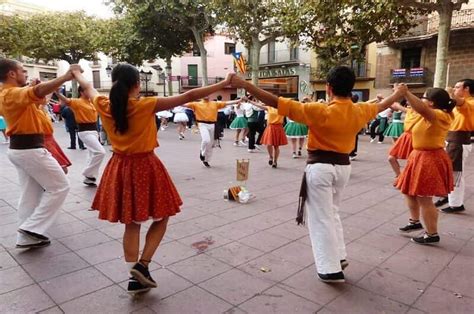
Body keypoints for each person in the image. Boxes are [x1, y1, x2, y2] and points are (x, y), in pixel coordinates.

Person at [230, 66, 404, 283]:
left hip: (321, 168)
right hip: (343, 168)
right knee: (332, 212)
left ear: (329, 88)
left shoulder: (319, 110)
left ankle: (330, 269)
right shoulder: (360, 110)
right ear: (351, 88)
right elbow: (382, 105)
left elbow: (276, 102)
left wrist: (246, 85)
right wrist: (398, 93)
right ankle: (338, 256)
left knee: (321, 218)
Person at [72, 63, 232, 295]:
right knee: (163, 215)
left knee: (132, 222)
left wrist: (75, 73)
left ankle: (134, 276)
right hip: (145, 165)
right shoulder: (145, 105)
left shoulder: (104, 104)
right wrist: (224, 82)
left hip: (119, 165)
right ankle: (143, 265)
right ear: (137, 85)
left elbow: (87, 86)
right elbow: (189, 95)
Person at [0, 58, 75, 249]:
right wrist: (65, 76)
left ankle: (25, 237)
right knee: (60, 186)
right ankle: (32, 229)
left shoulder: (9, 94)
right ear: (12, 74)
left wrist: (36, 88)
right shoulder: (10, 94)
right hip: (29, 150)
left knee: (30, 195)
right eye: (23, 71)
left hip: (22, 150)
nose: (25, 74)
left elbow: (39, 99)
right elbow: (37, 93)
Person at [396, 88, 455, 244]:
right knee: (408, 191)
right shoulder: (426, 114)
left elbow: (420, 108)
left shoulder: (440, 115)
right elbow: (414, 109)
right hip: (419, 156)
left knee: (424, 198)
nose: (421, 100)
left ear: (431, 102)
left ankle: (432, 234)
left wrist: (406, 93)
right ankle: (415, 222)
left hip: (429, 158)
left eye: (423, 97)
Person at [435, 79, 474, 213]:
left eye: (457, 87)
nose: (455, 89)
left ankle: (456, 204)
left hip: (459, 142)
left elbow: (462, 103)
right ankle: (448, 196)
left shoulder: (471, 103)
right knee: (448, 171)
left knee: (455, 173)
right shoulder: (457, 105)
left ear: (467, 89)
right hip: (451, 140)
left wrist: (452, 95)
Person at [55, 87, 106, 186]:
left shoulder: (92, 102)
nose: (90, 91)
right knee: (100, 152)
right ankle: (88, 174)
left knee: (92, 154)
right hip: (85, 131)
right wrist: (57, 93)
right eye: (87, 90)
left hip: (94, 131)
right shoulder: (77, 102)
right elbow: (66, 100)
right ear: (81, 92)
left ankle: (90, 178)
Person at [185, 96, 240, 167]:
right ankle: (202, 152)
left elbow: (227, 103)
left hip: (212, 124)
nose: (206, 96)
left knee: (210, 144)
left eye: (207, 94)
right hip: (202, 124)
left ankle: (206, 160)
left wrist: (239, 100)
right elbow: (183, 104)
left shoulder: (214, 103)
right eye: (204, 94)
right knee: (206, 140)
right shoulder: (196, 104)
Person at [387, 102, 422, 179]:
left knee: (413, 161)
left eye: (410, 105)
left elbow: (398, 106)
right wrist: (382, 100)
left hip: (415, 138)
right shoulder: (409, 111)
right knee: (391, 158)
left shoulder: (421, 113)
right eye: (408, 105)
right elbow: (394, 107)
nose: (409, 106)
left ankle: (409, 178)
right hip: (405, 137)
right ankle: (399, 176)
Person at [39, 100, 72, 174]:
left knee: (62, 169)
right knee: (61, 169)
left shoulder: (44, 110)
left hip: (50, 140)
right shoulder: (36, 110)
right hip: (44, 141)